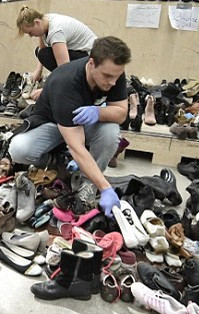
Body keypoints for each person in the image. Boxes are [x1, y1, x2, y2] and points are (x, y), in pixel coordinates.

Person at [9, 36, 131, 218]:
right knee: (18, 149)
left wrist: (98, 112)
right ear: (91, 64)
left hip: (80, 120)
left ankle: (88, 183)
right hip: (52, 123)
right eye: (107, 76)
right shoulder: (66, 83)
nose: (112, 83)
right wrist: (105, 187)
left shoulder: (113, 73)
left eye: (116, 77)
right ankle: (58, 163)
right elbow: (76, 146)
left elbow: (121, 113)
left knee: (111, 132)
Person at [16, 7, 97, 101]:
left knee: (46, 56)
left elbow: (64, 68)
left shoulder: (55, 32)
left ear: (37, 23)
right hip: (83, 54)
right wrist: (38, 71)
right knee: (41, 53)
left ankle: (71, 86)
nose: (30, 36)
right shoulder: (45, 20)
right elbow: (42, 49)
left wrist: (46, 90)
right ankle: (61, 82)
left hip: (92, 60)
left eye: (30, 32)